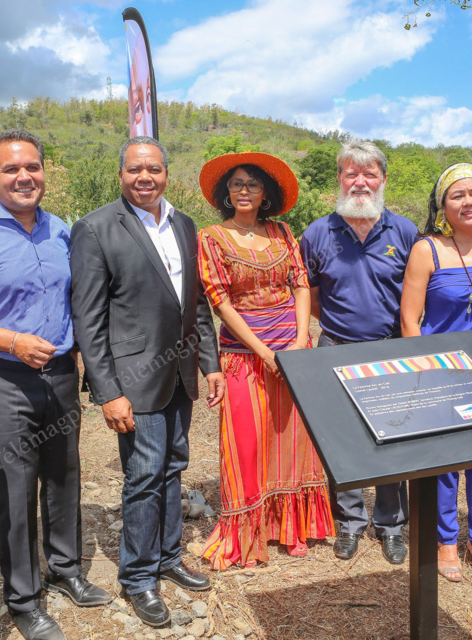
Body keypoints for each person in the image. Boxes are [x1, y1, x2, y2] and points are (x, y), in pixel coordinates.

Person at [0, 130, 111, 640]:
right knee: (14, 488)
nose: (24, 177)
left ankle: (67, 571)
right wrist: (12, 341)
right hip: (2, 376)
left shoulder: (62, 231)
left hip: (60, 372)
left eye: (33, 167)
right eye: (11, 169)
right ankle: (23, 598)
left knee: (64, 474)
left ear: (44, 171)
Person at [70, 136, 226, 628]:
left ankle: (167, 557)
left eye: (154, 170)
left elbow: (194, 303)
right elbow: (88, 319)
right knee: (143, 476)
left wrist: (210, 363)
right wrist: (108, 391)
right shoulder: (96, 228)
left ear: (165, 174)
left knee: (173, 467)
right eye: (135, 169)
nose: (145, 178)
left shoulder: (183, 223)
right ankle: (138, 578)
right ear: (121, 174)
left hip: (179, 374)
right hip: (133, 382)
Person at [196, 152, 334, 570]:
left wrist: (297, 341)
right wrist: (265, 352)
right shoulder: (212, 238)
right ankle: (247, 531)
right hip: (244, 354)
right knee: (247, 441)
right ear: (225, 193)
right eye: (236, 184)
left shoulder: (282, 232)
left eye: (252, 185)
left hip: (291, 350)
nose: (243, 191)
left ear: (265, 194)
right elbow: (220, 302)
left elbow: (300, 285)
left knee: (292, 438)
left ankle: (293, 526)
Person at [299, 140, 417, 565]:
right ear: (340, 179)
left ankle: (391, 525)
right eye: (352, 173)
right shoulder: (317, 233)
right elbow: (309, 296)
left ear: (383, 180)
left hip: (390, 350)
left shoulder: (403, 231)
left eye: (370, 174)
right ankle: (350, 522)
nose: (361, 182)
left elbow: (415, 295)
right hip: (335, 348)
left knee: (392, 440)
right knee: (344, 443)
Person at [401, 163, 472, 586]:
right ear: (441, 205)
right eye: (457, 195)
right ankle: (446, 539)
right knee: (445, 462)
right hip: (441, 372)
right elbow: (411, 319)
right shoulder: (427, 250)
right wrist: (424, 371)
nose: (468, 202)